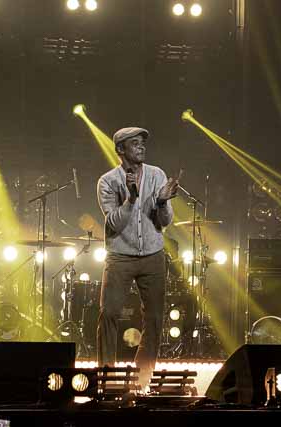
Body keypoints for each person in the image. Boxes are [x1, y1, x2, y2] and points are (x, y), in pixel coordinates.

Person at [96, 127, 179, 390]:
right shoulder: (108, 181)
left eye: (143, 142)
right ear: (121, 149)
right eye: (134, 143)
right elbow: (113, 224)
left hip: (153, 255)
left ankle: (141, 379)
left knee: (154, 318)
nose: (141, 147)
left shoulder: (157, 175)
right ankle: (107, 378)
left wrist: (163, 203)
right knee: (109, 313)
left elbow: (164, 223)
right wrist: (131, 199)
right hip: (120, 256)